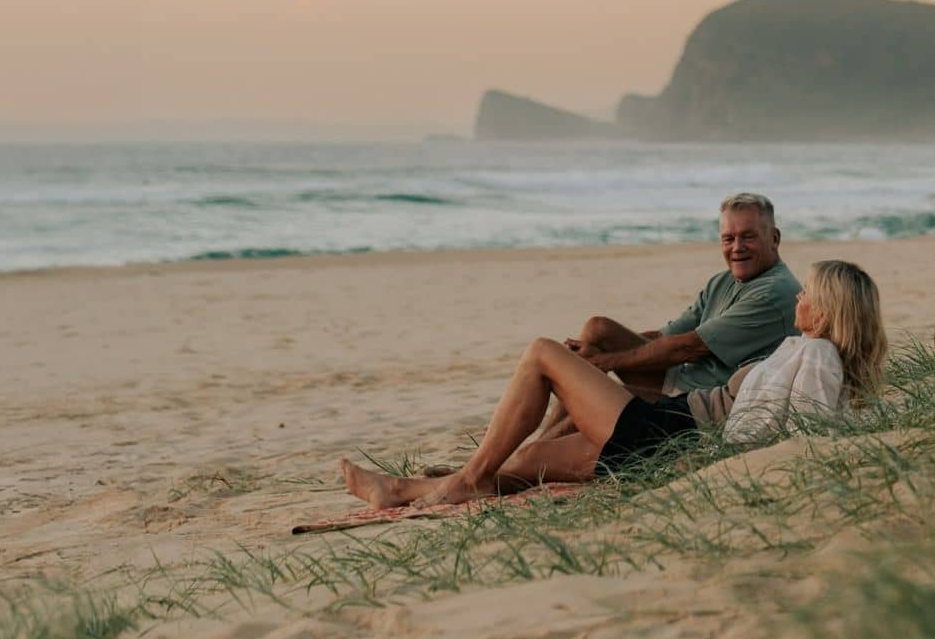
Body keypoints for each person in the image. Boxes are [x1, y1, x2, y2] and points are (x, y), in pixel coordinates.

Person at [337, 259, 888, 509]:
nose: (800, 297)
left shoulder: (816, 354)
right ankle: (400, 491)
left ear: (829, 308)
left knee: (542, 355)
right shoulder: (811, 351)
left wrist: (705, 468)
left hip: (667, 431)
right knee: (523, 469)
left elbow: (803, 436)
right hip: (666, 436)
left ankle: (462, 481)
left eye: (809, 292)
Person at [569, 192, 801, 401]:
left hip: (699, 402)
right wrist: (600, 349)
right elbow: (665, 336)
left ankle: (538, 445)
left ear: (774, 238)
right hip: (682, 380)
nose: (737, 247)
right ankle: (537, 443)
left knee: (591, 385)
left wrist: (606, 361)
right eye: (728, 239)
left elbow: (688, 348)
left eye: (748, 237)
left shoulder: (774, 291)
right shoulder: (722, 281)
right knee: (597, 330)